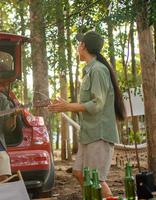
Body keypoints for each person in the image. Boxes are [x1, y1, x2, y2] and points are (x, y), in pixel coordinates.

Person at [48, 31, 126, 198]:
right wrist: (66, 105)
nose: (77, 46)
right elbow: (88, 106)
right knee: (79, 173)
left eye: (79, 43)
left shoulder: (98, 70)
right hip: (88, 134)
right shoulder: (90, 71)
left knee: (96, 180)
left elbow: (97, 104)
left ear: (83, 46)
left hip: (100, 134)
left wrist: (67, 106)